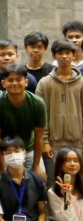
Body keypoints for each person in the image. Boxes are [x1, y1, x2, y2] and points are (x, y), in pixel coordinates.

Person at [0, 64, 46, 177]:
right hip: (2, 150)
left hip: (28, 148)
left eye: (19, 80)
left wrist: (36, 166)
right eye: (10, 80)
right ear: (3, 83)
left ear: (26, 82)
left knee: (39, 178)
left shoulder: (37, 103)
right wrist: (2, 168)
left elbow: (39, 136)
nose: (14, 83)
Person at [36, 39, 83, 175]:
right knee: (54, 180)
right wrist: (45, 142)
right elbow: (40, 115)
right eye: (60, 53)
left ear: (74, 55)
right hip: (53, 143)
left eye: (68, 53)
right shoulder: (44, 83)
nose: (64, 56)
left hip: (79, 142)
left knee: (78, 181)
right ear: (53, 56)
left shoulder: (81, 83)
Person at [0, 39, 39, 106]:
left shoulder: (29, 79)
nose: (6, 58)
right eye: (2, 55)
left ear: (17, 57)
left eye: (10, 54)